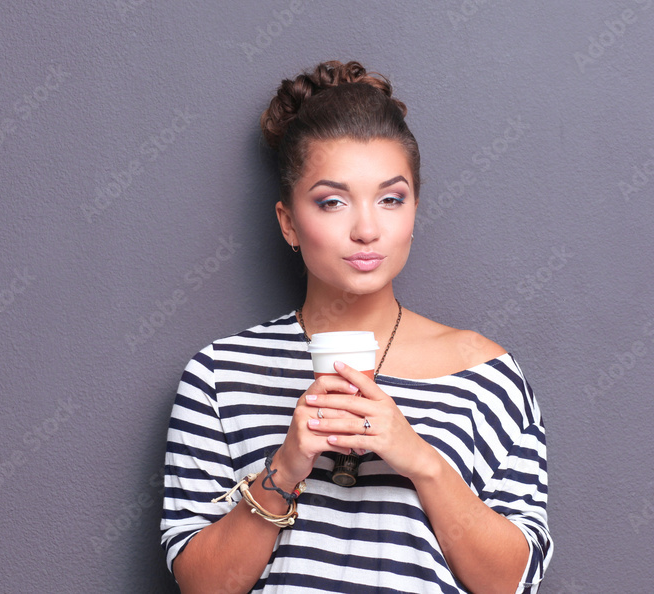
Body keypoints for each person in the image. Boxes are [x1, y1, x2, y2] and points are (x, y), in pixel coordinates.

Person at [160, 60, 551, 593]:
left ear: (415, 209)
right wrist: (285, 468)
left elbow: (513, 582)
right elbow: (201, 585)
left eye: (391, 199)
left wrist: (420, 460)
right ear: (289, 222)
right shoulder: (218, 376)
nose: (367, 229)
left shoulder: (486, 375)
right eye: (332, 201)